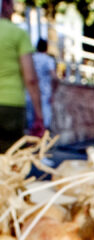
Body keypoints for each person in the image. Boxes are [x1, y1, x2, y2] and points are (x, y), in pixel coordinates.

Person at [0, 0, 44, 152]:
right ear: (5, 6)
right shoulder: (18, 33)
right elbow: (30, 78)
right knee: (11, 161)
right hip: (11, 107)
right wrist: (39, 116)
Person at [27, 39, 56, 130]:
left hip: (30, 92)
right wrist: (54, 91)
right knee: (45, 119)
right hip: (45, 92)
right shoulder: (48, 60)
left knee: (30, 120)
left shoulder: (31, 58)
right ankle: (44, 140)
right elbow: (54, 77)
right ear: (46, 48)